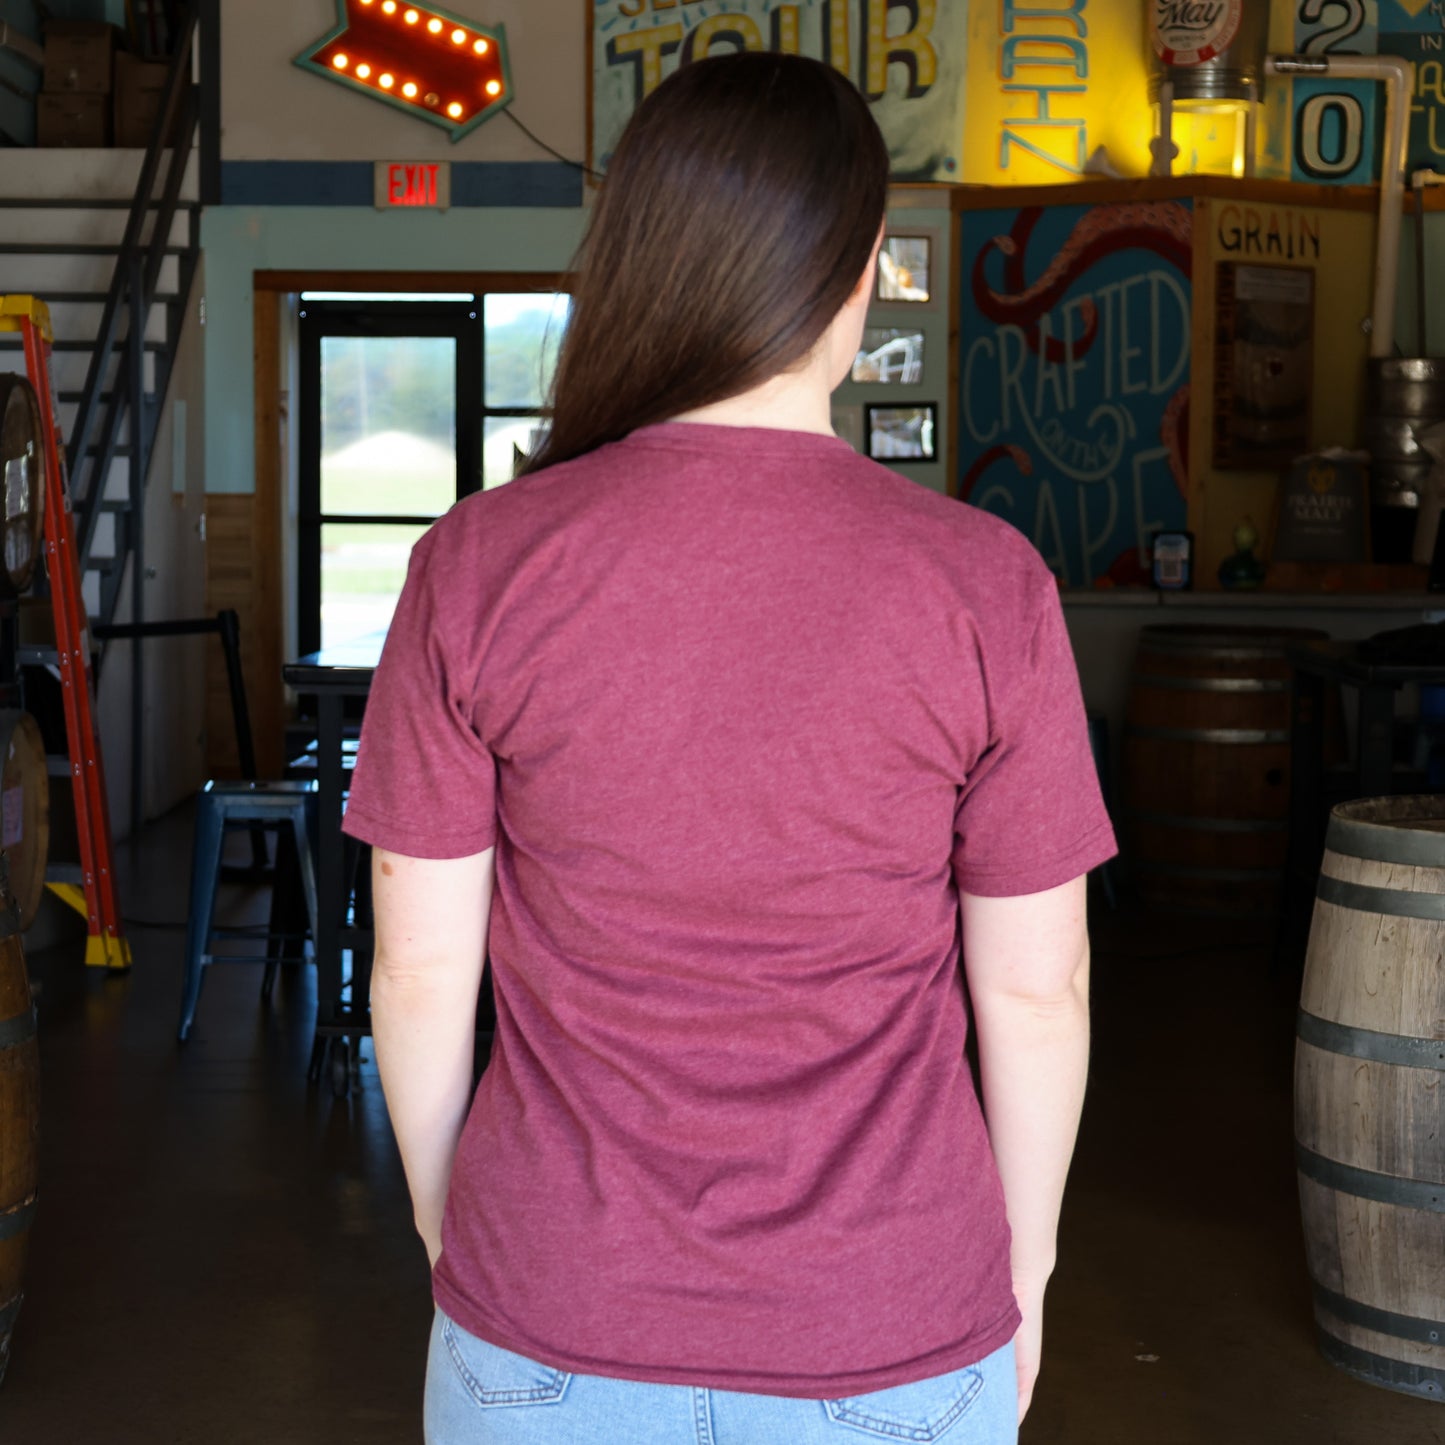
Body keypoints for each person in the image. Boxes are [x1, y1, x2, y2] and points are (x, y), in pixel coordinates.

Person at [342, 50, 1115, 1445]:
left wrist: (455, 1225)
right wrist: (1029, 1268)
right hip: (890, 1319)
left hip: (548, 1310)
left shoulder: (478, 563)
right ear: (863, 272)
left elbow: (416, 965)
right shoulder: (982, 584)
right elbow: (1037, 988)